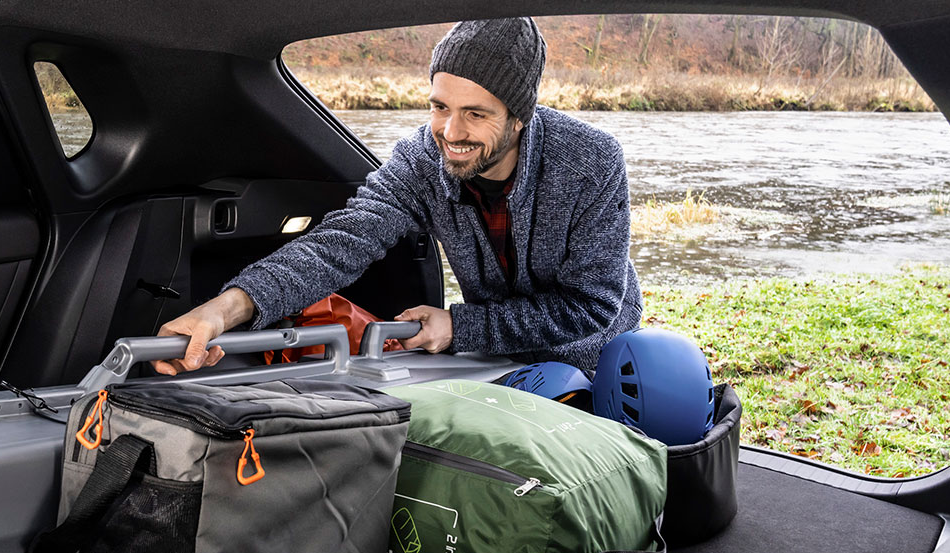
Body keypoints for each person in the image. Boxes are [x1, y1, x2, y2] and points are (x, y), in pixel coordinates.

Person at [153, 17, 641, 376]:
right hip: (495, 362)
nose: (450, 132)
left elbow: (590, 306)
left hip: (597, 359)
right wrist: (223, 310)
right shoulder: (421, 157)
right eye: (440, 107)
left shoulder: (590, 161)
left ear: (520, 117)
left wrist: (461, 327)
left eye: (475, 114)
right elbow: (340, 242)